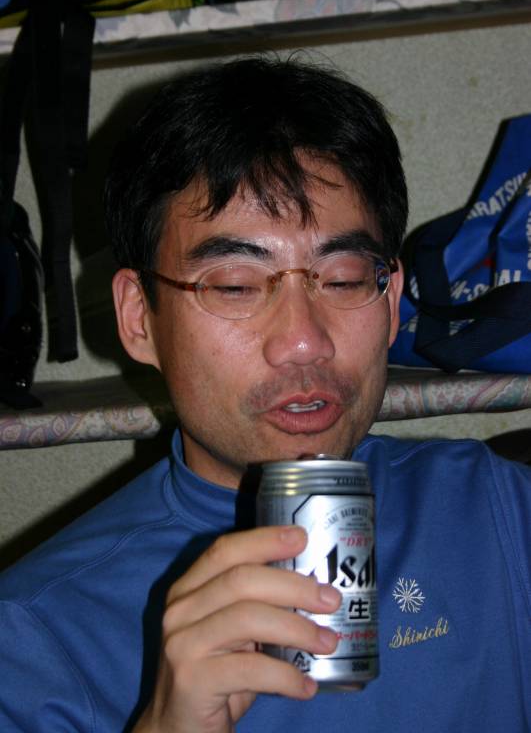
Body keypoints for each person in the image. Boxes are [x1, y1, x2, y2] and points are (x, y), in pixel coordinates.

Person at [0, 56, 529, 733]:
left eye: (342, 278)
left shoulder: (497, 510)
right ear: (139, 319)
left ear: (392, 299)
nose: (303, 341)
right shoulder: (31, 640)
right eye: (235, 286)